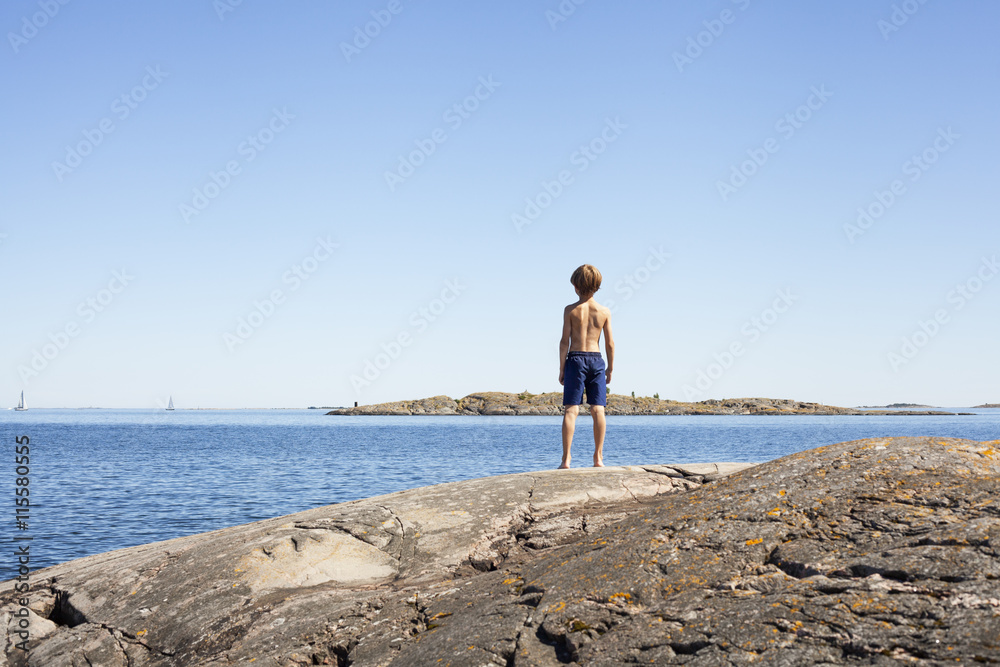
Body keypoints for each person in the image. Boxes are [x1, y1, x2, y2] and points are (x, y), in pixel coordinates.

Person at [558, 264, 614, 468]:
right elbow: (609, 343)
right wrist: (610, 368)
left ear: (575, 286)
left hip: (575, 358)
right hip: (596, 359)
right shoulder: (604, 311)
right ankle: (598, 457)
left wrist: (562, 368)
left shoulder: (570, 310)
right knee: (598, 410)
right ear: (598, 286)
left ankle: (566, 459)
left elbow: (564, 341)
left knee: (571, 410)